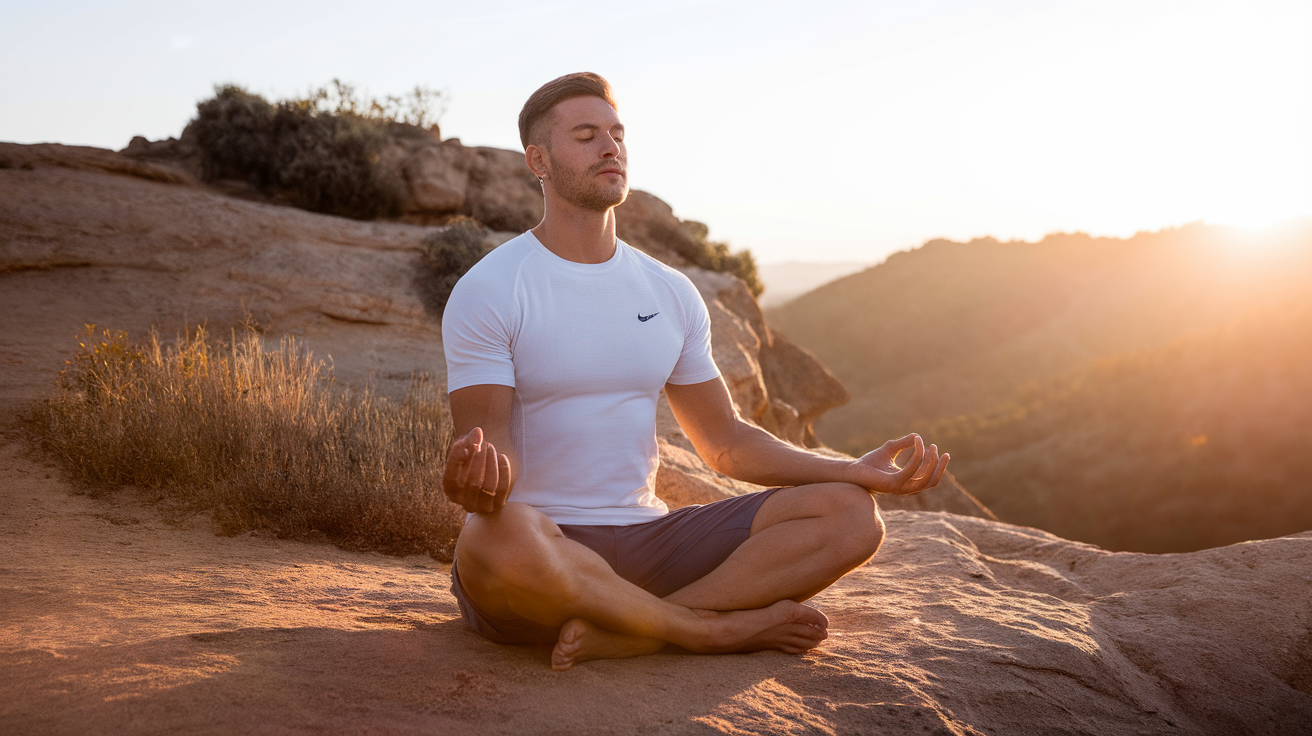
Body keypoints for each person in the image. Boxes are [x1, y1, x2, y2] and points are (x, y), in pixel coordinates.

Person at [441, 72, 948, 671]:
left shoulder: (669, 291)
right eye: (586, 135)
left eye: (616, 133)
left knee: (849, 513)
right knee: (491, 536)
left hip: (647, 543)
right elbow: (489, 450)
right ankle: (703, 630)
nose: (611, 147)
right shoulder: (493, 288)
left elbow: (726, 443)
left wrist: (850, 470)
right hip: (541, 550)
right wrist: (475, 481)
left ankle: (638, 629)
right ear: (539, 161)